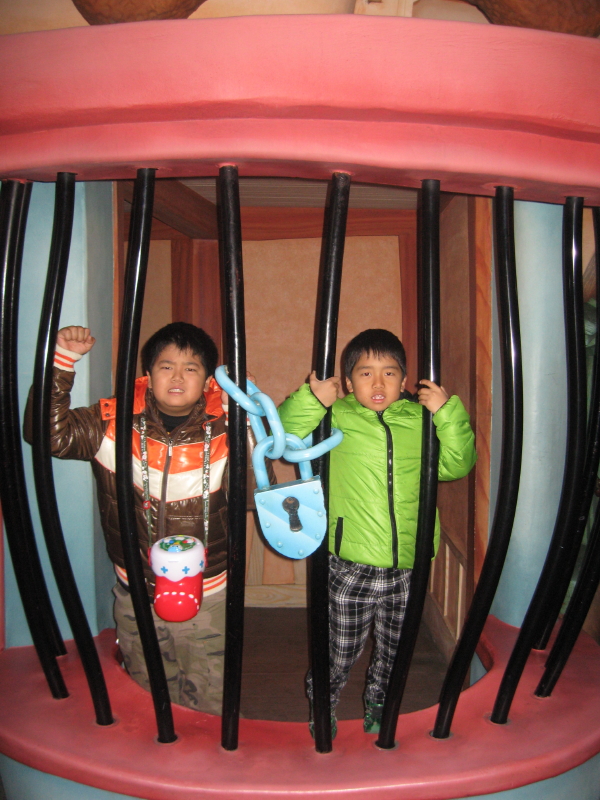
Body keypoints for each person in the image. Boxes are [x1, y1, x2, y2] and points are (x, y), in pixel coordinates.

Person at [25, 322, 233, 715]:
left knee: (209, 689)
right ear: (148, 375)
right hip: (135, 585)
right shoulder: (112, 420)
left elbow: (258, 483)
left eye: (190, 368)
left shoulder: (228, 426)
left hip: (209, 589)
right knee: (146, 688)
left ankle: (204, 749)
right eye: (166, 366)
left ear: (208, 380)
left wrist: (247, 410)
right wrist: (62, 363)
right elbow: (46, 434)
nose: (177, 377)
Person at [278, 328, 476, 735]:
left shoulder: (421, 420)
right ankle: (323, 706)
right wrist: (313, 400)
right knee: (340, 649)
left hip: (409, 563)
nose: (379, 383)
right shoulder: (337, 417)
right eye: (366, 373)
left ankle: (380, 702)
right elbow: (285, 438)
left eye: (389, 373)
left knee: (395, 649)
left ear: (404, 381)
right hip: (351, 561)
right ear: (349, 383)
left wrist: (446, 412)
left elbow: (456, 464)